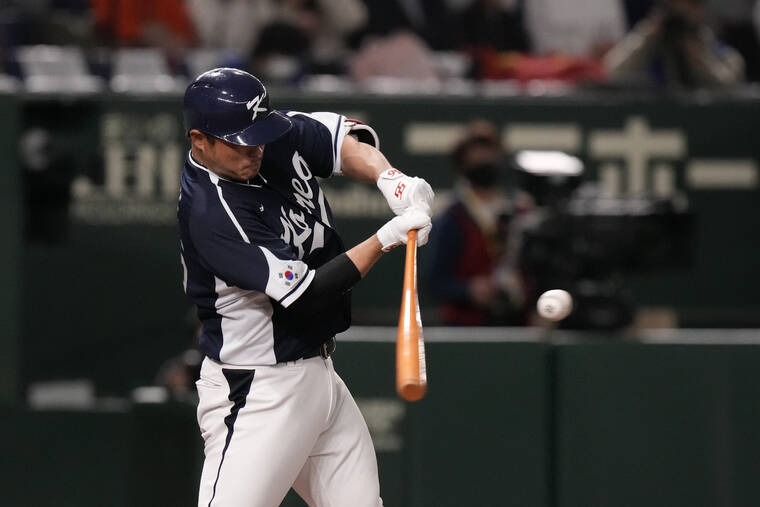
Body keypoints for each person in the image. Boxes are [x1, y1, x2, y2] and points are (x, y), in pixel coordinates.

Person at [177, 67, 434, 507]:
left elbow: (340, 145)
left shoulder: (268, 135)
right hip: (258, 390)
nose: (255, 148)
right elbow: (309, 295)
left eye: (259, 134)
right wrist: (385, 239)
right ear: (200, 140)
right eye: (240, 141)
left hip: (319, 376)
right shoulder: (210, 212)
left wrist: (392, 180)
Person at [426, 120, 530, 326]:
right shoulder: (453, 217)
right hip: (468, 327)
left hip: (516, 322)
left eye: (489, 152)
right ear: (462, 163)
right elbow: (435, 282)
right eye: (476, 155)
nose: (484, 159)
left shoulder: (519, 210)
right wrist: (469, 290)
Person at [604, 0, 745, 87]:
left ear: (700, 11)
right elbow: (611, 72)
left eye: (689, 6)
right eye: (673, 7)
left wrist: (699, 59)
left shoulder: (712, 46)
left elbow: (731, 84)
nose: (680, 13)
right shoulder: (651, 41)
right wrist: (648, 36)